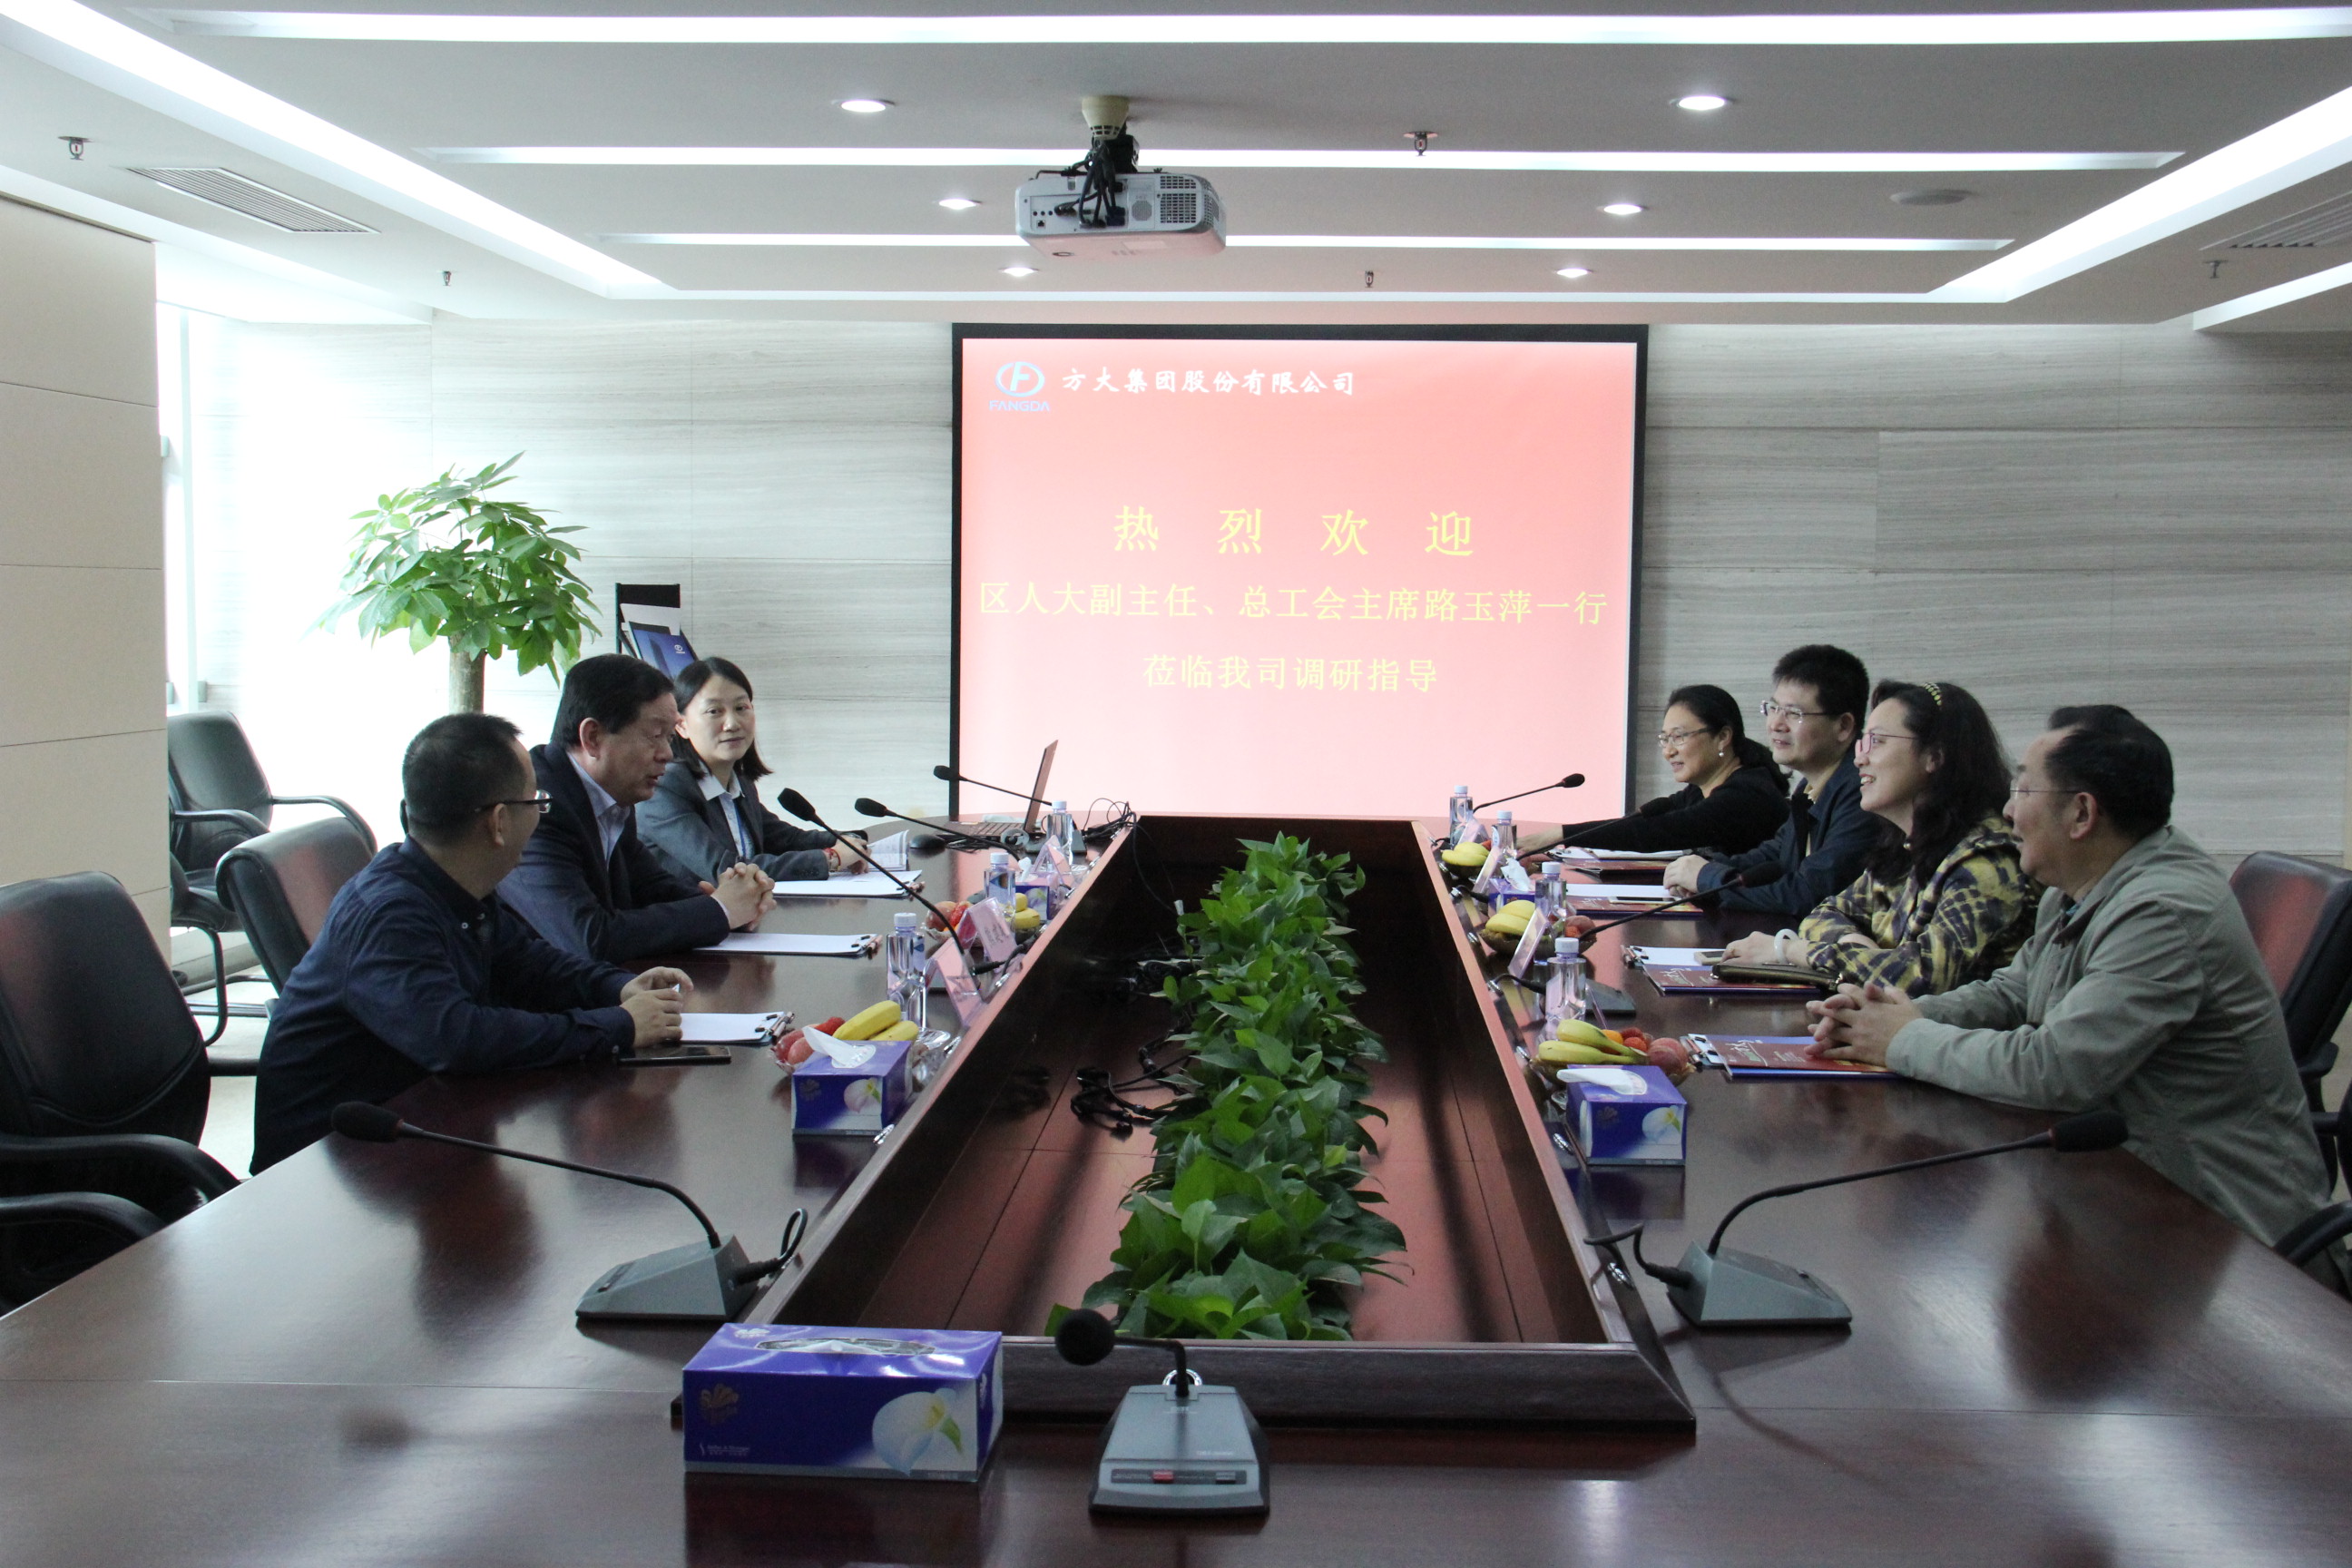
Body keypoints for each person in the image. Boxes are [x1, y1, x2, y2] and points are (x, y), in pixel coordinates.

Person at [1807, 706, 2337, 1271]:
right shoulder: (2078, 886)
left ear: (2081, 813)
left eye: (2023, 790)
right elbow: (2013, 994)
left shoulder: (2163, 911)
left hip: (2231, 1240)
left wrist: (1902, 1040)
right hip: (2126, 1193)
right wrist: (1889, 1015)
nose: (2008, 810)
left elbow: (2054, 1069)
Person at [251, 713, 691, 1171]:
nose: (541, 814)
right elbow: (457, 1038)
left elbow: (529, 963)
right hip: (326, 1168)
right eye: (537, 802)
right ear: (499, 822)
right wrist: (617, 1026)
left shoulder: (451, 883)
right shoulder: (391, 915)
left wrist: (616, 987)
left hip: (412, 1131)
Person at [1720, 680, 2035, 995]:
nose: (1860, 759)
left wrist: (1789, 950)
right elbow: (1825, 913)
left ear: (1934, 756)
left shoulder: (1985, 862)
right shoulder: (1906, 845)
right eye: (1863, 743)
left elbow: (1918, 977)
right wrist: (1852, 944)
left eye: (1877, 742)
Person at [501, 654, 774, 962]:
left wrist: (734, 901)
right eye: (655, 736)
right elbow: (588, 938)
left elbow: (649, 886)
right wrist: (721, 910)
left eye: (669, 737)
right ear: (593, 737)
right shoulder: (535, 806)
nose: (667, 754)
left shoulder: (613, 793)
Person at [1663, 644, 1877, 916]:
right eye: (1774, 708)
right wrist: (1706, 872)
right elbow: (1778, 854)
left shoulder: (1863, 792)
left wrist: (1707, 878)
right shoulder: (1811, 786)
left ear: (1844, 726)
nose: (1776, 724)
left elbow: (1808, 895)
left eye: (1794, 714)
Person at [639, 657, 845, 887]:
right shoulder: (664, 787)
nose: (732, 724)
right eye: (714, 711)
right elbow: (726, 870)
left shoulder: (739, 782)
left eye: (741, 708)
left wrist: (849, 840)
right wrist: (831, 858)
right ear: (682, 725)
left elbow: (786, 839)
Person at [1523, 684, 1786, 856]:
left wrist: (1561, 835)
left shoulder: (1747, 794)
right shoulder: (1699, 791)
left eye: (1679, 737)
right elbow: (1643, 823)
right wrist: (1557, 848)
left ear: (1723, 737)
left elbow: (1660, 831)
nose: (1668, 751)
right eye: (1665, 739)